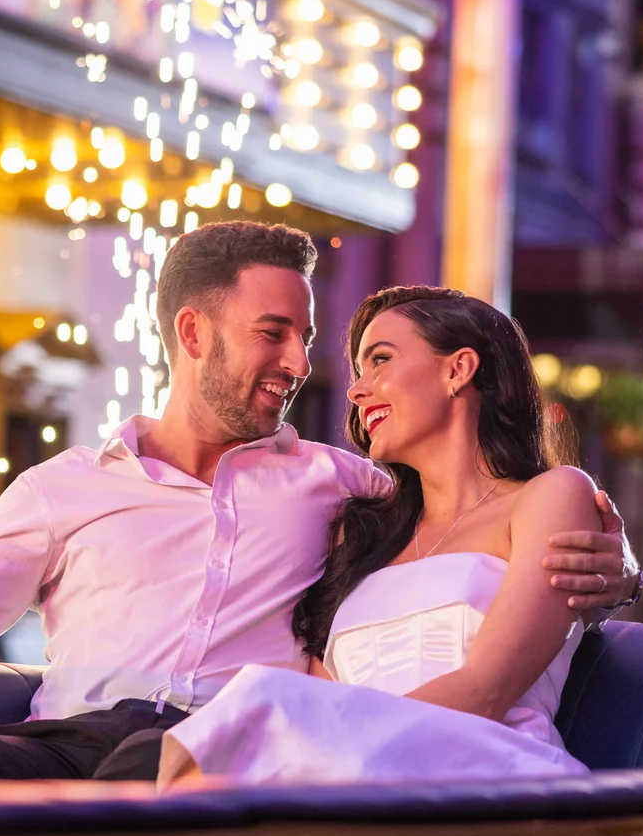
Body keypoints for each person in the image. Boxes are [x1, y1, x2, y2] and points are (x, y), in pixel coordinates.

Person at [0, 222, 641, 781]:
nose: (303, 368)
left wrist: (615, 563)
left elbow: (494, 516)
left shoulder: (341, 480)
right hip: (76, 737)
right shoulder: (67, 487)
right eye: (275, 334)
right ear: (193, 331)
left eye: (309, 341)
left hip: (233, 753)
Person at [158, 286, 596, 788]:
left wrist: (323, 757)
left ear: (459, 369)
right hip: (357, 786)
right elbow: (321, 692)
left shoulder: (550, 496)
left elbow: (486, 691)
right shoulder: (363, 536)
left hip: (489, 772)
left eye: (380, 360)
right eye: (358, 371)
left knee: (259, 709)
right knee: (218, 732)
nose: (356, 390)